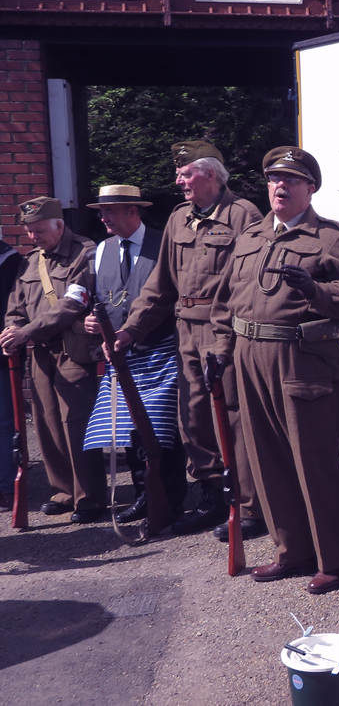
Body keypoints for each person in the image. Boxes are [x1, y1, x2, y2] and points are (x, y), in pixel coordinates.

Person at [208, 146, 339, 595]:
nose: (280, 187)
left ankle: (332, 561)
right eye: (274, 180)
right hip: (248, 356)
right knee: (266, 460)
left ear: (310, 188)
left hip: (302, 360)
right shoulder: (251, 236)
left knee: (314, 461)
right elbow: (226, 301)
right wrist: (219, 349)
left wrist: (316, 291)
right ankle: (292, 551)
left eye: (292, 181)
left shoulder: (330, 238)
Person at [114, 141, 266, 538]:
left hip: (227, 329)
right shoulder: (180, 218)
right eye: (179, 173)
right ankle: (213, 495)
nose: (178, 180)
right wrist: (131, 328)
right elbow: (160, 284)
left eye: (186, 173)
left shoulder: (243, 214)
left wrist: (226, 336)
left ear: (210, 174)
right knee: (193, 418)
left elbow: (249, 283)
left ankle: (249, 504)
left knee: (232, 416)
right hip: (185, 331)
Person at [82, 185, 187, 524]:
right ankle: (145, 496)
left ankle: (171, 498)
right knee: (128, 430)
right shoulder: (101, 250)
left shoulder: (163, 244)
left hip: (162, 349)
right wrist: (93, 321)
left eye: (109, 211)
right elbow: (98, 296)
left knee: (161, 427)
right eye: (101, 211)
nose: (103, 217)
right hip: (122, 353)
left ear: (132, 211)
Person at [0, 197, 107, 522]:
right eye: (29, 231)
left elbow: (73, 303)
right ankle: (62, 491)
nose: (34, 237)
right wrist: (11, 328)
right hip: (41, 354)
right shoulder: (31, 261)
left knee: (76, 424)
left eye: (40, 230)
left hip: (73, 351)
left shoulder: (84, 252)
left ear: (59, 225)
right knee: (47, 424)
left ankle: (89, 497)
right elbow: (16, 303)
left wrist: (27, 331)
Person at [0, 237, 24, 512]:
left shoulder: (10, 260)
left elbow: (14, 311)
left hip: (1, 354)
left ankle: (6, 487)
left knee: (5, 424)